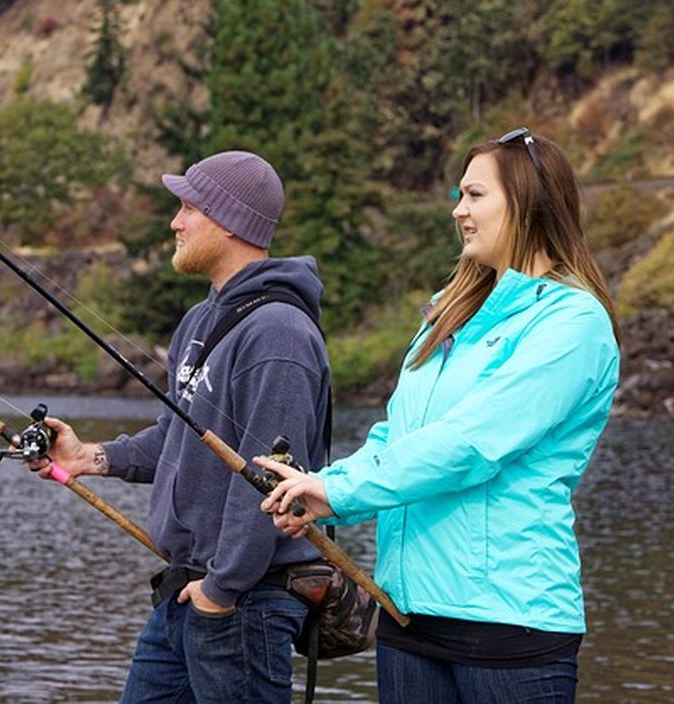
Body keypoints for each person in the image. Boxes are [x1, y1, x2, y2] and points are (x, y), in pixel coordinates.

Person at [256, 128, 621, 703]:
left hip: (510, 623)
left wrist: (341, 492)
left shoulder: (573, 323)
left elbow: (470, 443)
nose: (459, 210)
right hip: (409, 615)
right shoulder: (445, 317)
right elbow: (397, 436)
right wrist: (320, 490)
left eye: (475, 195)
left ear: (526, 201)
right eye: (460, 195)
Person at [30, 150, 332, 703]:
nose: (175, 221)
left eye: (188, 207)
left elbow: (270, 479)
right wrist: (87, 457)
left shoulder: (279, 334)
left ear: (228, 221)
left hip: (243, 602)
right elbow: (177, 439)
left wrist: (222, 589)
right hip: (187, 591)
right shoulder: (200, 318)